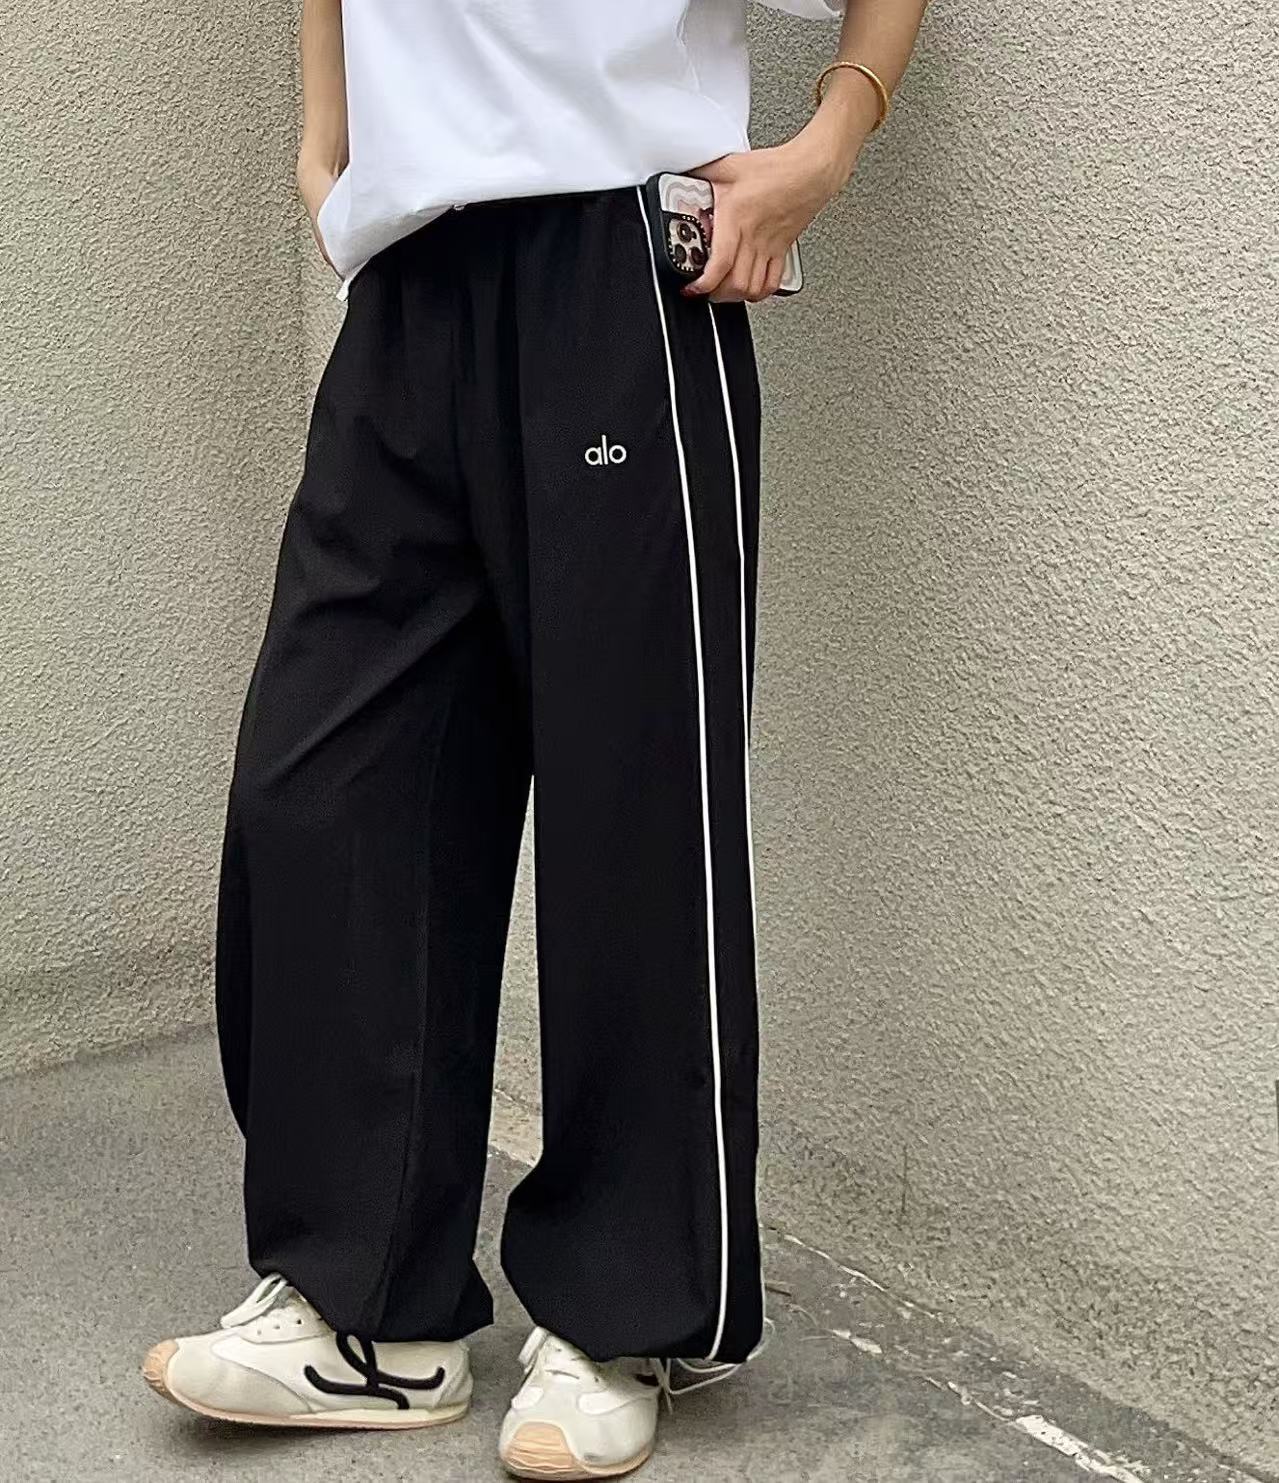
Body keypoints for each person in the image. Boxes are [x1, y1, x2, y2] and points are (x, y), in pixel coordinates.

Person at [142, 0, 927, 1476]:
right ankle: (371, 1307)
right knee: (326, 789)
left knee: (635, 809)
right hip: (412, 262)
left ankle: (629, 1315)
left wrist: (826, 146)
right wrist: (326, 137)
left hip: (620, 256)